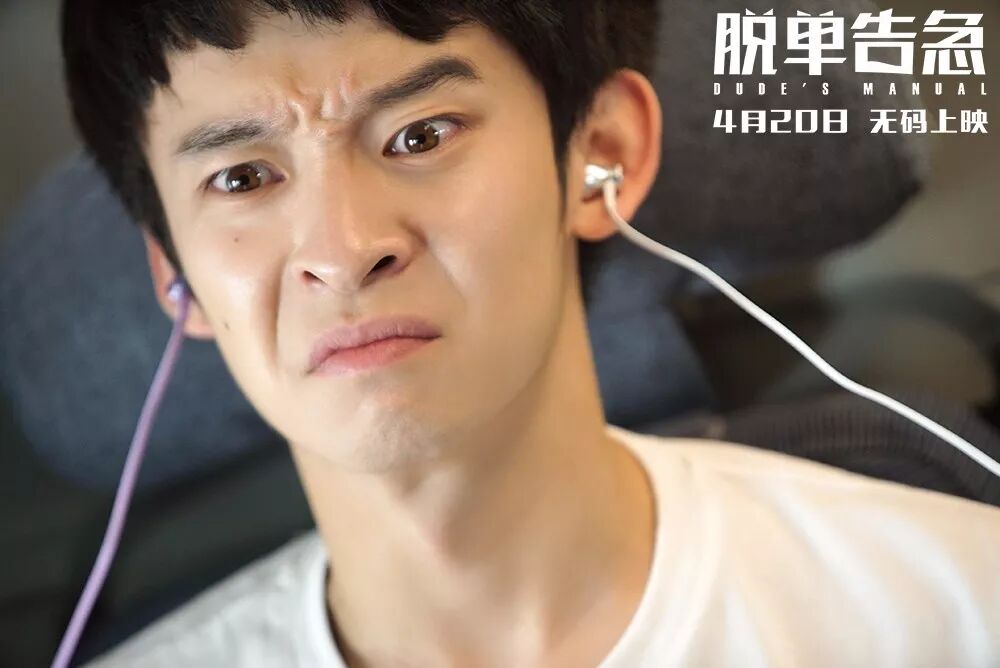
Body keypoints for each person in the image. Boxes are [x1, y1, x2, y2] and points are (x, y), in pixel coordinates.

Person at [61, 1, 1000, 665]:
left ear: (603, 154)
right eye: (240, 179)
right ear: (173, 269)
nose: (341, 252)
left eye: (421, 135)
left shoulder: (956, 606)